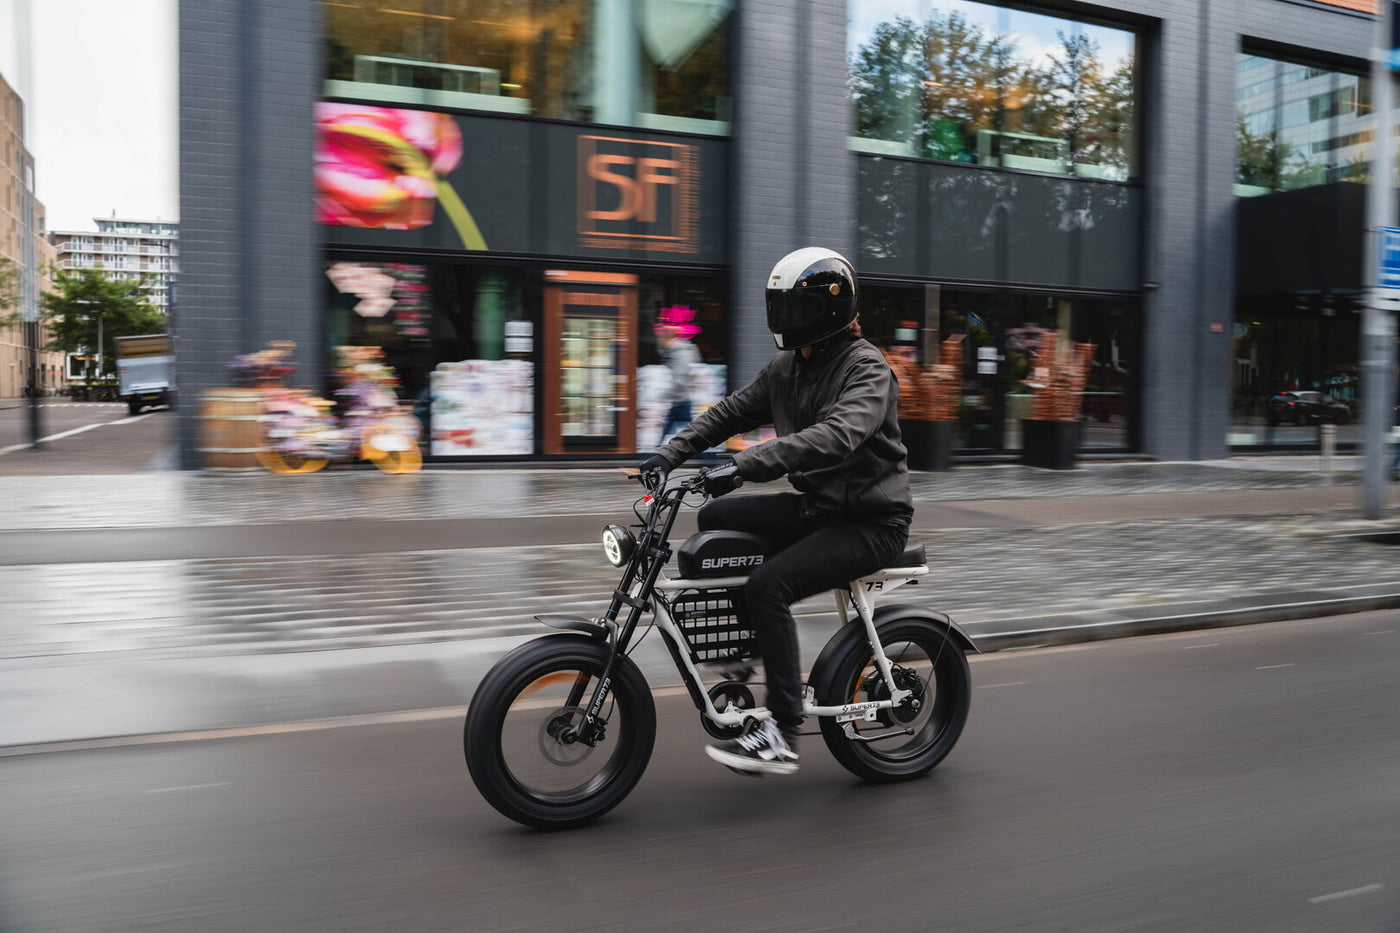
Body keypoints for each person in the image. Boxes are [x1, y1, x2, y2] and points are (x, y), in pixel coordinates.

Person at [639, 247, 913, 775]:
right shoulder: (789, 366)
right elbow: (730, 412)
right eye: (777, 306)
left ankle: (781, 730)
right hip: (819, 508)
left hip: (871, 522)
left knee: (770, 584)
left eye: (791, 307)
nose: (781, 318)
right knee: (714, 520)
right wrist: (668, 454)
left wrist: (742, 467)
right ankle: (748, 644)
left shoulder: (867, 370)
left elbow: (836, 437)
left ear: (826, 310)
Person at [655, 319, 700, 443]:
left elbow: (680, 380)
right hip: (680, 401)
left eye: (660, 337)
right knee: (692, 433)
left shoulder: (679, 352)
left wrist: (664, 395)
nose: (659, 341)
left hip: (681, 401)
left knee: (693, 434)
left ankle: (655, 455)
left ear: (666, 338)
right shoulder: (676, 351)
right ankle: (655, 454)